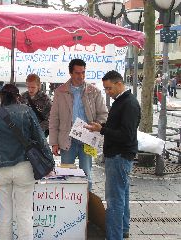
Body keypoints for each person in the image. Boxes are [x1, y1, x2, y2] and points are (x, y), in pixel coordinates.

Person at [0, 84, 50, 240]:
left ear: (1, 97)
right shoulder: (26, 111)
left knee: (4, 215)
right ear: (17, 97)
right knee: (24, 213)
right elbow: (41, 139)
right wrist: (49, 163)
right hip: (24, 168)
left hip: (0, 171)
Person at [85, 70, 141, 240]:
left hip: (119, 156)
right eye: (105, 89)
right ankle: (123, 230)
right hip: (119, 155)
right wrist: (101, 127)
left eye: (109, 88)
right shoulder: (121, 101)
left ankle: (114, 236)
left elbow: (126, 134)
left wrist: (103, 129)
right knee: (122, 196)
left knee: (115, 200)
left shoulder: (128, 104)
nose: (107, 92)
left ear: (119, 84)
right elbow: (118, 126)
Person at [49, 59, 108, 190]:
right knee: (66, 174)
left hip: (87, 139)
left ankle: (87, 205)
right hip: (66, 139)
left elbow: (103, 114)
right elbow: (54, 118)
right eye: (77, 73)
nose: (80, 76)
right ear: (70, 73)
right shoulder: (60, 92)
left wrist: (96, 126)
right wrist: (54, 142)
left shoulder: (94, 91)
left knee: (86, 174)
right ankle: (69, 204)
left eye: (83, 73)